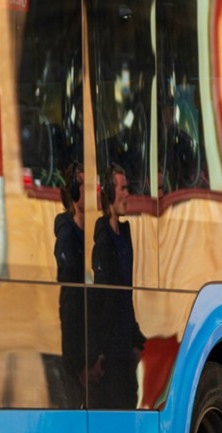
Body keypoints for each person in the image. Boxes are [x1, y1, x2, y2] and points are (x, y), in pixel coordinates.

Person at [87, 164, 145, 409]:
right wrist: (99, 352)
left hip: (124, 351)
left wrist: (135, 341)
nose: (127, 194)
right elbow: (103, 301)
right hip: (110, 355)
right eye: (122, 188)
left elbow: (125, 297)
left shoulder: (125, 235)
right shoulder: (102, 239)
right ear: (109, 193)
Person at [53, 162, 91, 408]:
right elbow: (67, 270)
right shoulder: (66, 229)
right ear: (75, 192)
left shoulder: (91, 228)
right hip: (74, 317)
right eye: (85, 187)